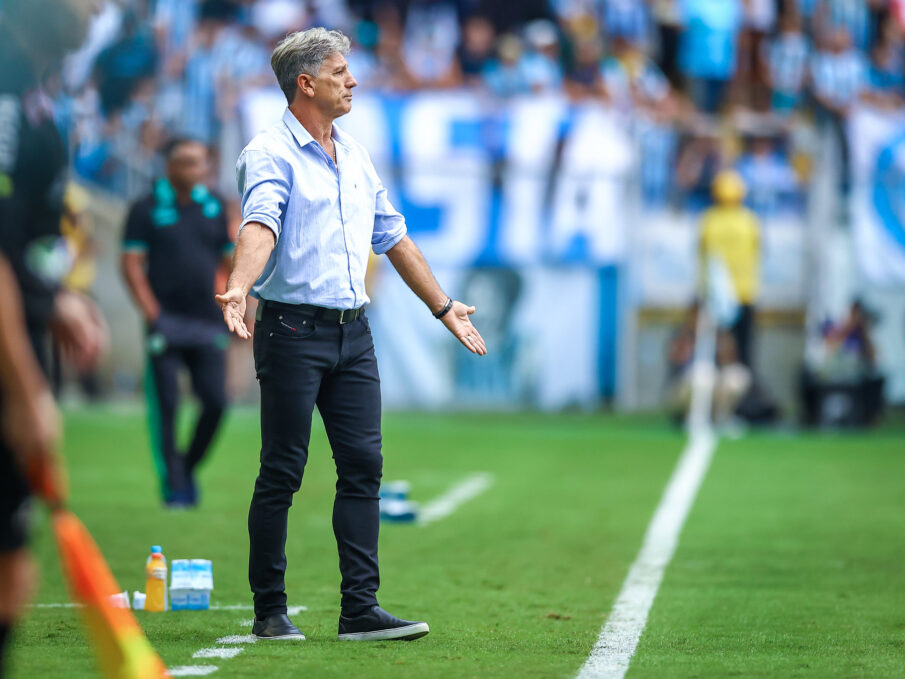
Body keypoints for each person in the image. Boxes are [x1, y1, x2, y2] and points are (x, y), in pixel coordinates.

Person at [216, 28, 486, 642]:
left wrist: (443, 307)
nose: (353, 80)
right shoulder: (269, 153)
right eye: (339, 71)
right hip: (289, 329)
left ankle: (359, 609)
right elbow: (259, 223)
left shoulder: (356, 155)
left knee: (365, 467)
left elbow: (392, 237)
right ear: (305, 84)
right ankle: (269, 610)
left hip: (353, 333)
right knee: (283, 469)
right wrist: (239, 285)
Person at [0, 1, 106, 673]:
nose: (100, 9)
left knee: (13, 567)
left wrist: (55, 294)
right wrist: (25, 389)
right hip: (7, 365)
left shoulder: (34, 90)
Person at [121, 138, 233, 508]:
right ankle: (175, 487)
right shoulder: (145, 207)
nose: (193, 170)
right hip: (165, 323)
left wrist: (232, 301)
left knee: (216, 402)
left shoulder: (214, 207)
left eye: (198, 163)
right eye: (185, 162)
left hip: (206, 324)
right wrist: (152, 312)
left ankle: (185, 468)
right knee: (167, 405)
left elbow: (226, 260)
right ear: (168, 166)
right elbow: (132, 264)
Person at [699, 171, 761, 368]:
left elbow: (701, 253)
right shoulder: (749, 221)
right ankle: (747, 393)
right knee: (744, 351)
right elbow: (759, 249)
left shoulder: (709, 221)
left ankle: (717, 392)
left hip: (717, 296)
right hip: (744, 293)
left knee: (716, 350)